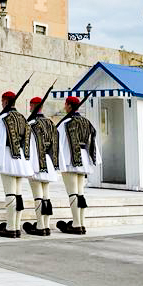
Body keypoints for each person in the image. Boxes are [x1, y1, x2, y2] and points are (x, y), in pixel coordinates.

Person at [0, 91, 35, 238]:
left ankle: (11, 228)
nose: (1, 103)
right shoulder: (22, 118)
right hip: (20, 158)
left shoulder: (3, 118)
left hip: (9, 158)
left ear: (5, 101)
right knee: (17, 194)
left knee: (10, 193)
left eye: (2, 101)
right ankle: (16, 227)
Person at [56, 95, 97, 234]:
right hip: (84, 159)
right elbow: (93, 143)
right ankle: (81, 223)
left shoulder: (66, 123)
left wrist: (56, 161)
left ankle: (76, 224)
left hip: (70, 160)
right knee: (80, 193)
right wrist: (92, 160)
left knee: (73, 192)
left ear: (69, 105)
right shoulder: (87, 122)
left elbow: (58, 143)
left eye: (65, 104)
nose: (64, 107)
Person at [23, 96, 60, 237]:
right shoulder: (50, 123)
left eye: (30, 105)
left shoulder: (31, 124)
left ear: (32, 106)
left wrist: (27, 163)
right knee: (46, 196)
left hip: (36, 162)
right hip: (49, 162)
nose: (30, 108)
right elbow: (55, 145)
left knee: (38, 195)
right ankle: (46, 226)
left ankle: (40, 226)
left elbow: (28, 145)